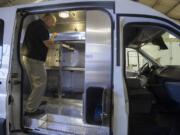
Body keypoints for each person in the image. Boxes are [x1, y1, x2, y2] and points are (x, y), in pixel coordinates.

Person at [22, 13, 57, 116]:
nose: (53, 25)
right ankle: (30, 109)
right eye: (53, 22)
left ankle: (35, 102)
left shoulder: (34, 24)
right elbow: (48, 44)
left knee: (35, 83)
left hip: (28, 57)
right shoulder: (42, 27)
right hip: (34, 59)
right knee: (40, 83)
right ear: (47, 19)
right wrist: (53, 37)